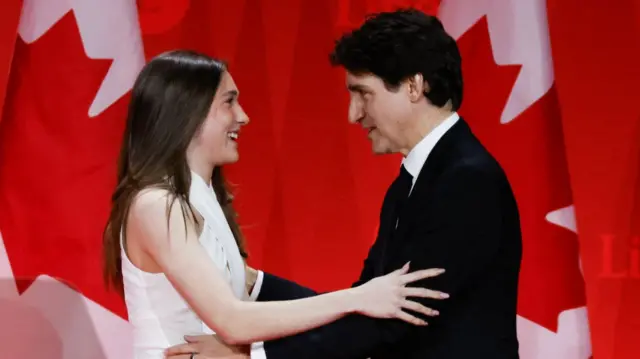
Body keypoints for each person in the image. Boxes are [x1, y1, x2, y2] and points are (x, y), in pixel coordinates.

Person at [165, 8, 522, 359]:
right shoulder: (415, 179)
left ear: (413, 86)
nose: (353, 114)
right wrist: (256, 284)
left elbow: (397, 318)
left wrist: (251, 355)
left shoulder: (466, 181)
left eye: (363, 93)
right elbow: (367, 301)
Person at [101, 50, 449, 359]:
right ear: (187, 111)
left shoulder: (197, 197)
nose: (243, 116)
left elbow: (250, 286)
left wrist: (357, 312)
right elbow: (232, 321)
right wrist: (358, 299)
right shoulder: (156, 205)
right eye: (229, 101)